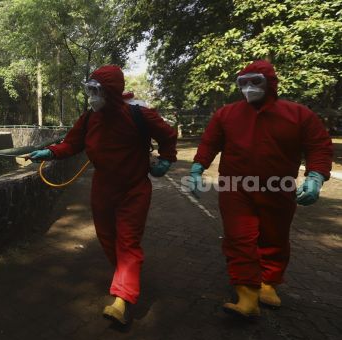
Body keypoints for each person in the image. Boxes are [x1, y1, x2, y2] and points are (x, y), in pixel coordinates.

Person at [28, 65, 178, 325]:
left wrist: (166, 159)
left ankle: (122, 298)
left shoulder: (138, 114)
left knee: (128, 241)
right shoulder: (89, 118)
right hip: (103, 188)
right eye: (89, 89)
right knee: (107, 238)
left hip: (134, 189)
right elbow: (72, 143)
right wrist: (51, 152)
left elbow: (167, 135)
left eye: (96, 90)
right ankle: (124, 277)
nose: (91, 96)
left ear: (111, 91)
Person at [188, 60, 333, 317]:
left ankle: (268, 283)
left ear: (270, 83)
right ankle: (247, 294)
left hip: (279, 188)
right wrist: (198, 167)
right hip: (235, 188)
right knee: (238, 237)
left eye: (256, 81)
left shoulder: (299, 115)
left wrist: (316, 176)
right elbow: (210, 142)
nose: (249, 88)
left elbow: (318, 146)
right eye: (243, 83)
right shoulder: (227, 114)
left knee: (274, 237)